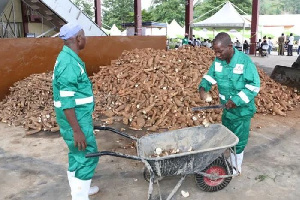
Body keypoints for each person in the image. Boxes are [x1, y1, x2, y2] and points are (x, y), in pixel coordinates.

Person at [198, 32, 260, 174]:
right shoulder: (218, 62)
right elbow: (209, 77)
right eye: (215, 51)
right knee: (229, 138)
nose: (217, 55)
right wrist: (203, 88)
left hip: (242, 111)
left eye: (220, 51)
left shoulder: (245, 62)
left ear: (230, 47)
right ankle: (230, 163)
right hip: (227, 110)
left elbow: (253, 86)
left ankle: (235, 169)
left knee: (239, 141)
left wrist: (236, 101)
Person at [52, 23, 99, 199]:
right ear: (78, 38)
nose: (85, 38)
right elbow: (67, 101)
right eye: (84, 35)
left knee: (76, 154)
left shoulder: (68, 57)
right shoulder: (69, 63)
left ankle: (81, 189)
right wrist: (77, 130)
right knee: (87, 155)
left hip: (78, 116)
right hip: (75, 119)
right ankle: (80, 196)